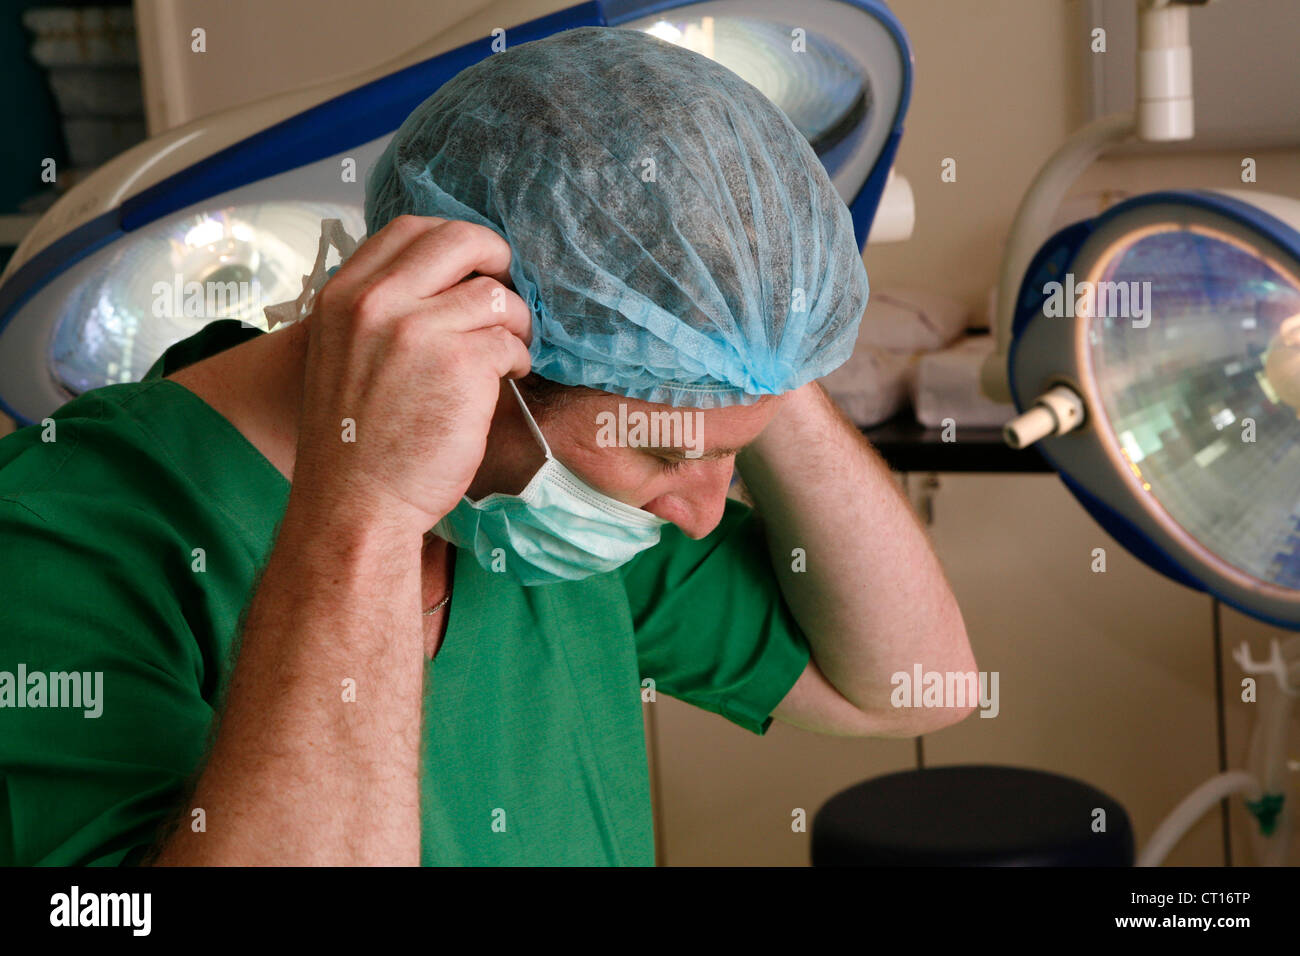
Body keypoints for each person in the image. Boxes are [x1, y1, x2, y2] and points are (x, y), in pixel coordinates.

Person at [0, 27, 975, 866]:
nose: (704, 509)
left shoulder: (533, 520)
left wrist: (731, 319)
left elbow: (909, 684)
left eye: (728, 452)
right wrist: (367, 515)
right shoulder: (62, 534)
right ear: (471, 357)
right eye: (669, 456)